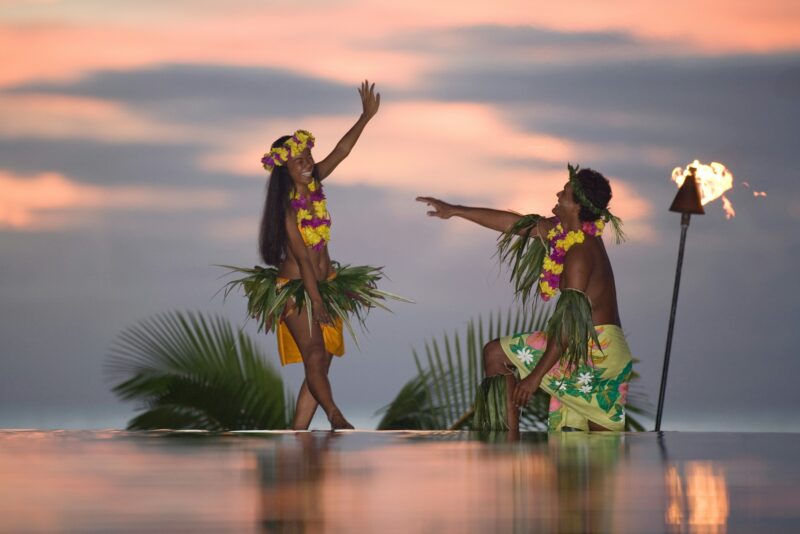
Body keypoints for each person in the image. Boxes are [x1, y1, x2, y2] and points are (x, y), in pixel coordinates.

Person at [417, 165, 633, 432]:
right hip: (608, 352)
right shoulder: (565, 232)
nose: (558, 193)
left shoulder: (579, 253)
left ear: (577, 206)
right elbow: (514, 224)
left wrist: (534, 378)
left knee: (496, 353)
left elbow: (568, 325)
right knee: (594, 455)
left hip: (594, 352)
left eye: (565, 192)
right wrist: (455, 210)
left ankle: (505, 451)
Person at [227, 81, 387, 431]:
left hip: (326, 285)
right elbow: (302, 260)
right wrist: (316, 301)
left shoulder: (315, 185)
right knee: (314, 356)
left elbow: (342, 151)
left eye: (308, 157)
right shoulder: (287, 211)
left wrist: (365, 117)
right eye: (299, 160)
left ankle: (298, 432)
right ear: (284, 168)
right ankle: (336, 418)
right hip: (298, 290)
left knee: (320, 366)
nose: (308, 163)